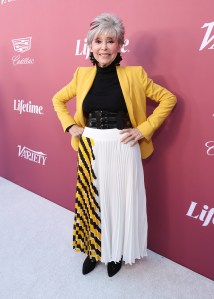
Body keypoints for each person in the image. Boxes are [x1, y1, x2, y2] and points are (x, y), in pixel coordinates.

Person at [52, 13, 176, 277]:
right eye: (98, 41)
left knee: (119, 200)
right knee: (91, 200)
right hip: (90, 146)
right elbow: (57, 100)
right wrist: (70, 126)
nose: (104, 47)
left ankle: (115, 252)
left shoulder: (135, 75)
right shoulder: (81, 75)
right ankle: (93, 250)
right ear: (90, 45)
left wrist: (144, 130)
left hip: (123, 146)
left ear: (120, 45)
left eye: (111, 40)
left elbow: (168, 99)